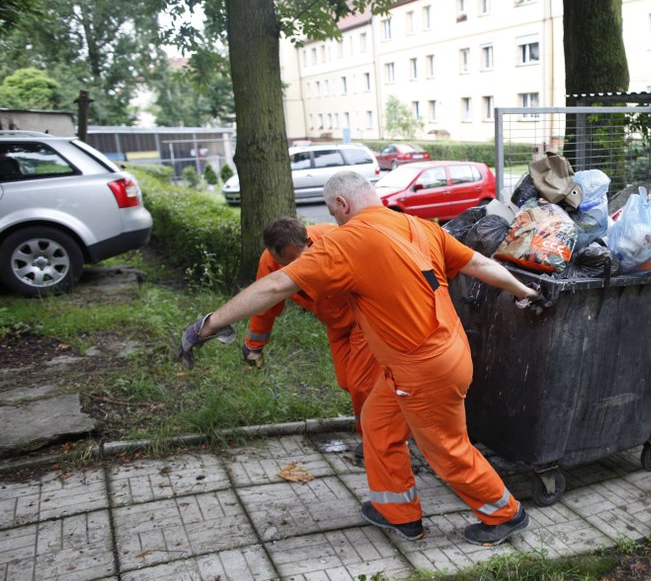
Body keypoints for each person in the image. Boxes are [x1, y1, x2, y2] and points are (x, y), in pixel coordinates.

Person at [177, 170, 542, 546]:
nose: (333, 221)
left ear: (342, 204)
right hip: (431, 356)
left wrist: (206, 326)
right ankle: (398, 514)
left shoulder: (347, 241)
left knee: (447, 449)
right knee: (377, 425)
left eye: (333, 213)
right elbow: (478, 264)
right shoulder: (420, 227)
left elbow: (275, 285)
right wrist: (523, 290)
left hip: (422, 368)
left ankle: (504, 514)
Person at [244, 218, 382, 456]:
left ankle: (377, 439)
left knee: (362, 383)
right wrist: (253, 346)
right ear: (272, 254)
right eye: (286, 263)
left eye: (297, 259)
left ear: (307, 241)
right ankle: (392, 415)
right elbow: (265, 305)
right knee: (347, 381)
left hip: (365, 319)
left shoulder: (336, 239)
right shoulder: (270, 262)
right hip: (336, 323)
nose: (297, 269)